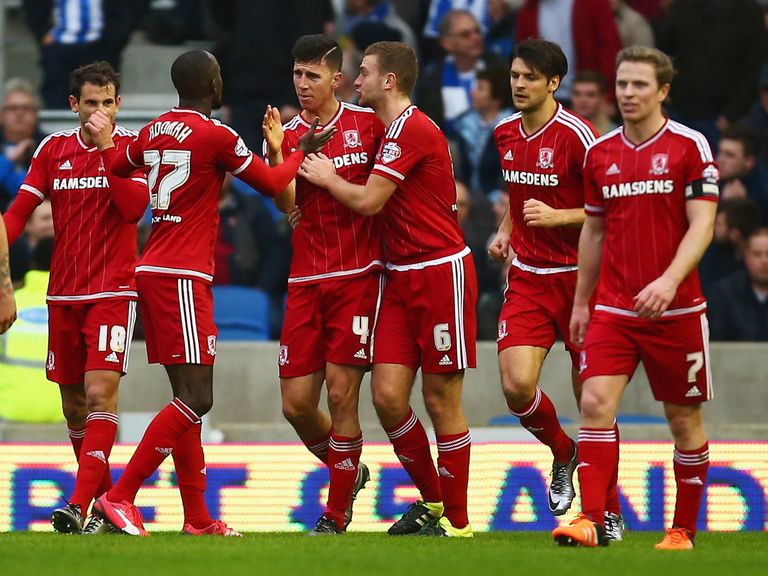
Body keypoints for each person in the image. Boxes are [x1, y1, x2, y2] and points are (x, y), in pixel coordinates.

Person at [88, 50, 333, 537]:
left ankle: (198, 519)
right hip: (182, 274)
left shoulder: (153, 128)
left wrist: (109, 142)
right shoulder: (215, 135)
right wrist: (300, 147)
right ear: (213, 85)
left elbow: (117, 164)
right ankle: (119, 496)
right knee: (197, 398)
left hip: (154, 266)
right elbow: (269, 184)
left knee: (185, 398)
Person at [300, 41, 477, 538]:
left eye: (364, 72)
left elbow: (370, 199)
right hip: (398, 276)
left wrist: (328, 177)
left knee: (442, 398)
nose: (356, 81)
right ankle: (435, 504)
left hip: (441, 273)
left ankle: (456, 522)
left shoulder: (412, 128)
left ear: (390, 80)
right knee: (388, 398)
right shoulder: (385, 130)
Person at [553, 46, 719, 550]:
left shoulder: (691, 146)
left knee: (683, 419)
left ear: (663, 90)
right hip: (614, 309)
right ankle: (592, 518)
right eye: (622, 84)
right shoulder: (601, 154)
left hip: (679, 310)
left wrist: (669, 280)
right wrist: (582, 303)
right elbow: (594, 234)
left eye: (639, 85)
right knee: (595, 403)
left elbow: (703, 224)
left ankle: (683, 530)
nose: (627, 93)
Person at [1, 61, 147, 534]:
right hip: (62, 295)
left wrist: (107, 148)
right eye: (91, 103)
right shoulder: (52, 149)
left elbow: (133, 211)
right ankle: (107, 507)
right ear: (73, 105)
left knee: (102, 392)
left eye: (108, 103)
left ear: (119, 104)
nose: (100, 111)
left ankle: (79, 505)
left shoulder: (130, 148)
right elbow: (17, 215)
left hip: (112, 290)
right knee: (74, 406)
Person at [489, 39, 623, 539]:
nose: (519, 84)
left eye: (529, 77)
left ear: (553, 83)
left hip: (582, 280)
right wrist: (507, 228)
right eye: (514, 75)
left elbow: (610, 206)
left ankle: (606, 512)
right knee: (516, 386)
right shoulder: (503, 131)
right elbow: (520, 194)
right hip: (528, 277)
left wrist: (557, 216)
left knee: (593, 402)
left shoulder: (579, 137)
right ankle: (563, 452)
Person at [262, 34, 385, 535]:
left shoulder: (369, 125)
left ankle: (335, 514)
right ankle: (347, 470)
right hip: (306, 278)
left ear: (337, 79)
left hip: (357, 275)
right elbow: (283, 202)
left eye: (313, 75)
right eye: (297, 74)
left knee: (340, 394)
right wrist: (276, 156)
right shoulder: (286, 131)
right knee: (295, 404)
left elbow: (388, 190)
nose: (303, 83)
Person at [707, 227, 768, 341]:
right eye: (757, 254)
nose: (764, 261)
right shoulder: (723, 294)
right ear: (746, 257)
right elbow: (716, 342)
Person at [570, 70, 618, 136]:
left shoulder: (615, 134)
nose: (583, 100)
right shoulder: (559, 130)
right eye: (577, 94)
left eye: (590, 95)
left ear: (602, 98)